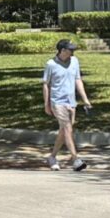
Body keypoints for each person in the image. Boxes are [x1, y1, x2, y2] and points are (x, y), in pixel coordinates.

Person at [42, 38, 92, 171]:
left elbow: (78, 80)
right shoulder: (51, 64)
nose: (73, 51)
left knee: (64, 131)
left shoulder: (74, 61)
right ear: (62, 50)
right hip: (57, 101)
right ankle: (75, 159)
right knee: (67, 128)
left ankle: (52, 157)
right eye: (70, 49)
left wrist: (85, 99)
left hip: (71, 101)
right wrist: (46, 104)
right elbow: (46, 85)